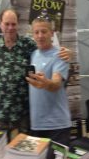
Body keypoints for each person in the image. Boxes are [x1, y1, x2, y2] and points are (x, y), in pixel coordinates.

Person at [0, 9, 70, 140]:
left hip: (26, 115)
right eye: (7, 24)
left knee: (27, 152)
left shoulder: (28, 45)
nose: (10, 28)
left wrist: (67, 52)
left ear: (18, 24)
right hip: (1, 112)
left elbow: (49, 48)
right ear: (0, 24)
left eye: (13, 24)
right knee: (0, 152)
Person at [26, 17, 71, 149]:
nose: (40, 36)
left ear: (52, 33)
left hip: (57, 126)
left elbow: (56, 84)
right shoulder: (34, 54)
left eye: (44, 31)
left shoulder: (60, 55)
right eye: (36, 32)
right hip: (36, 124)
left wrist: (46, 83)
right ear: (32, 34)